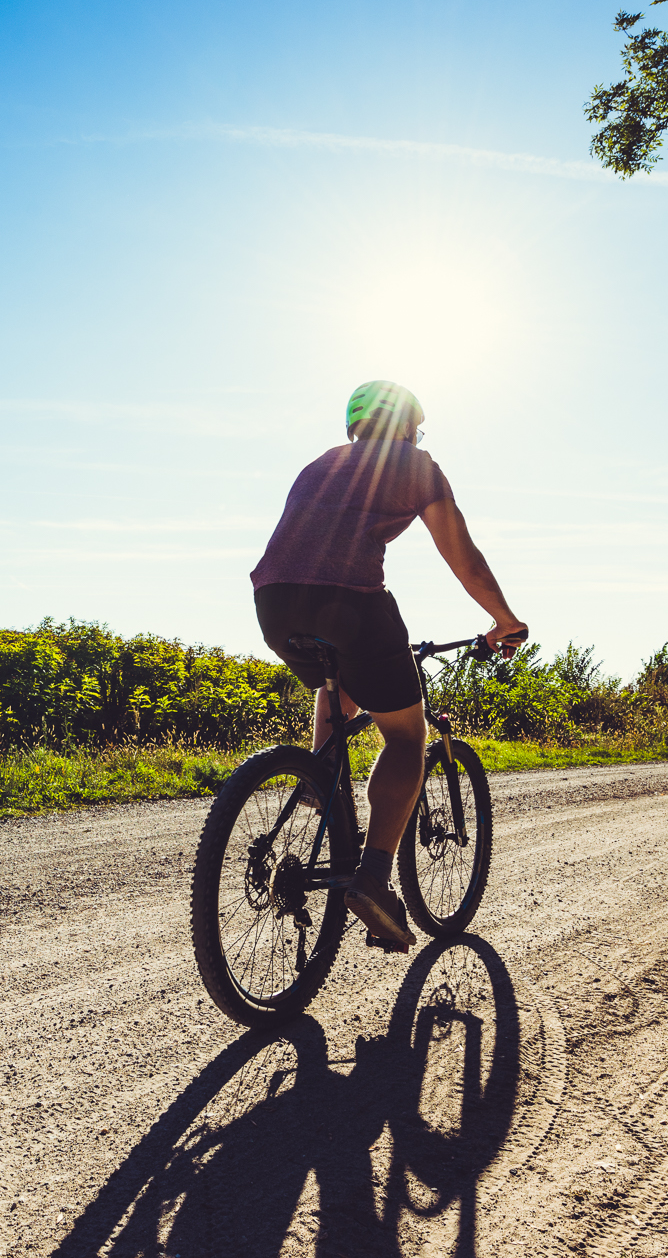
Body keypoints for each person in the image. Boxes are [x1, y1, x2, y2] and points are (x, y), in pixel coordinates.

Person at [250, 380, 526, 953]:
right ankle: (374, 876)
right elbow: (462, 554)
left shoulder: (320, 464)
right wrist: (503, 618)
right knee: (405, 737)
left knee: (341, 685)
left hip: (274, 603)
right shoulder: (416, 465)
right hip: (351, 601)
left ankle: (320, 784)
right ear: (406, 426)